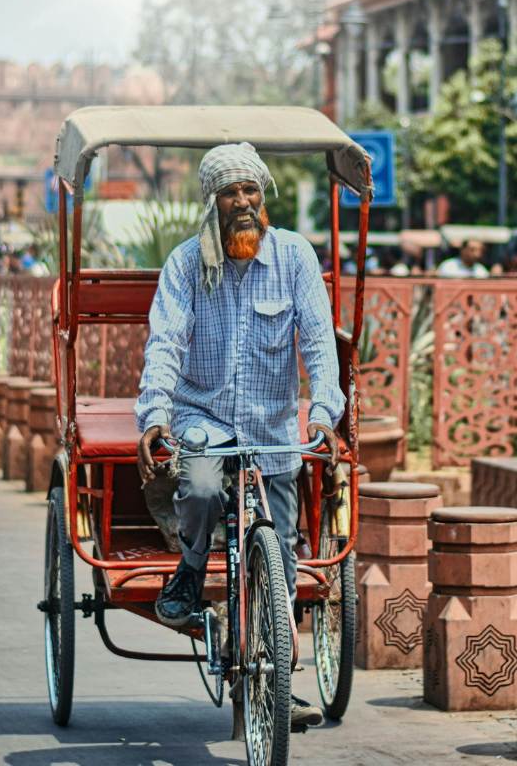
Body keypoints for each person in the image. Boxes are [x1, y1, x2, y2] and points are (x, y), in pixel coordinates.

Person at [135, 142, 343, 731]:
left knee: (278, 557)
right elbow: (166, 344)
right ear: (214, 201)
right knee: (199, 487)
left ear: (263, 195)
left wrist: (324, 413)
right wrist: (154, 415)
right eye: (231, 193)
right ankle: (192, 569)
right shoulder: (185, 264)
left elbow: (319, 346)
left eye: (251, 190)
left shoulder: (294, 257)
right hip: (203, 418)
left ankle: (281, 683)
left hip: (273, 429)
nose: (243, 203)